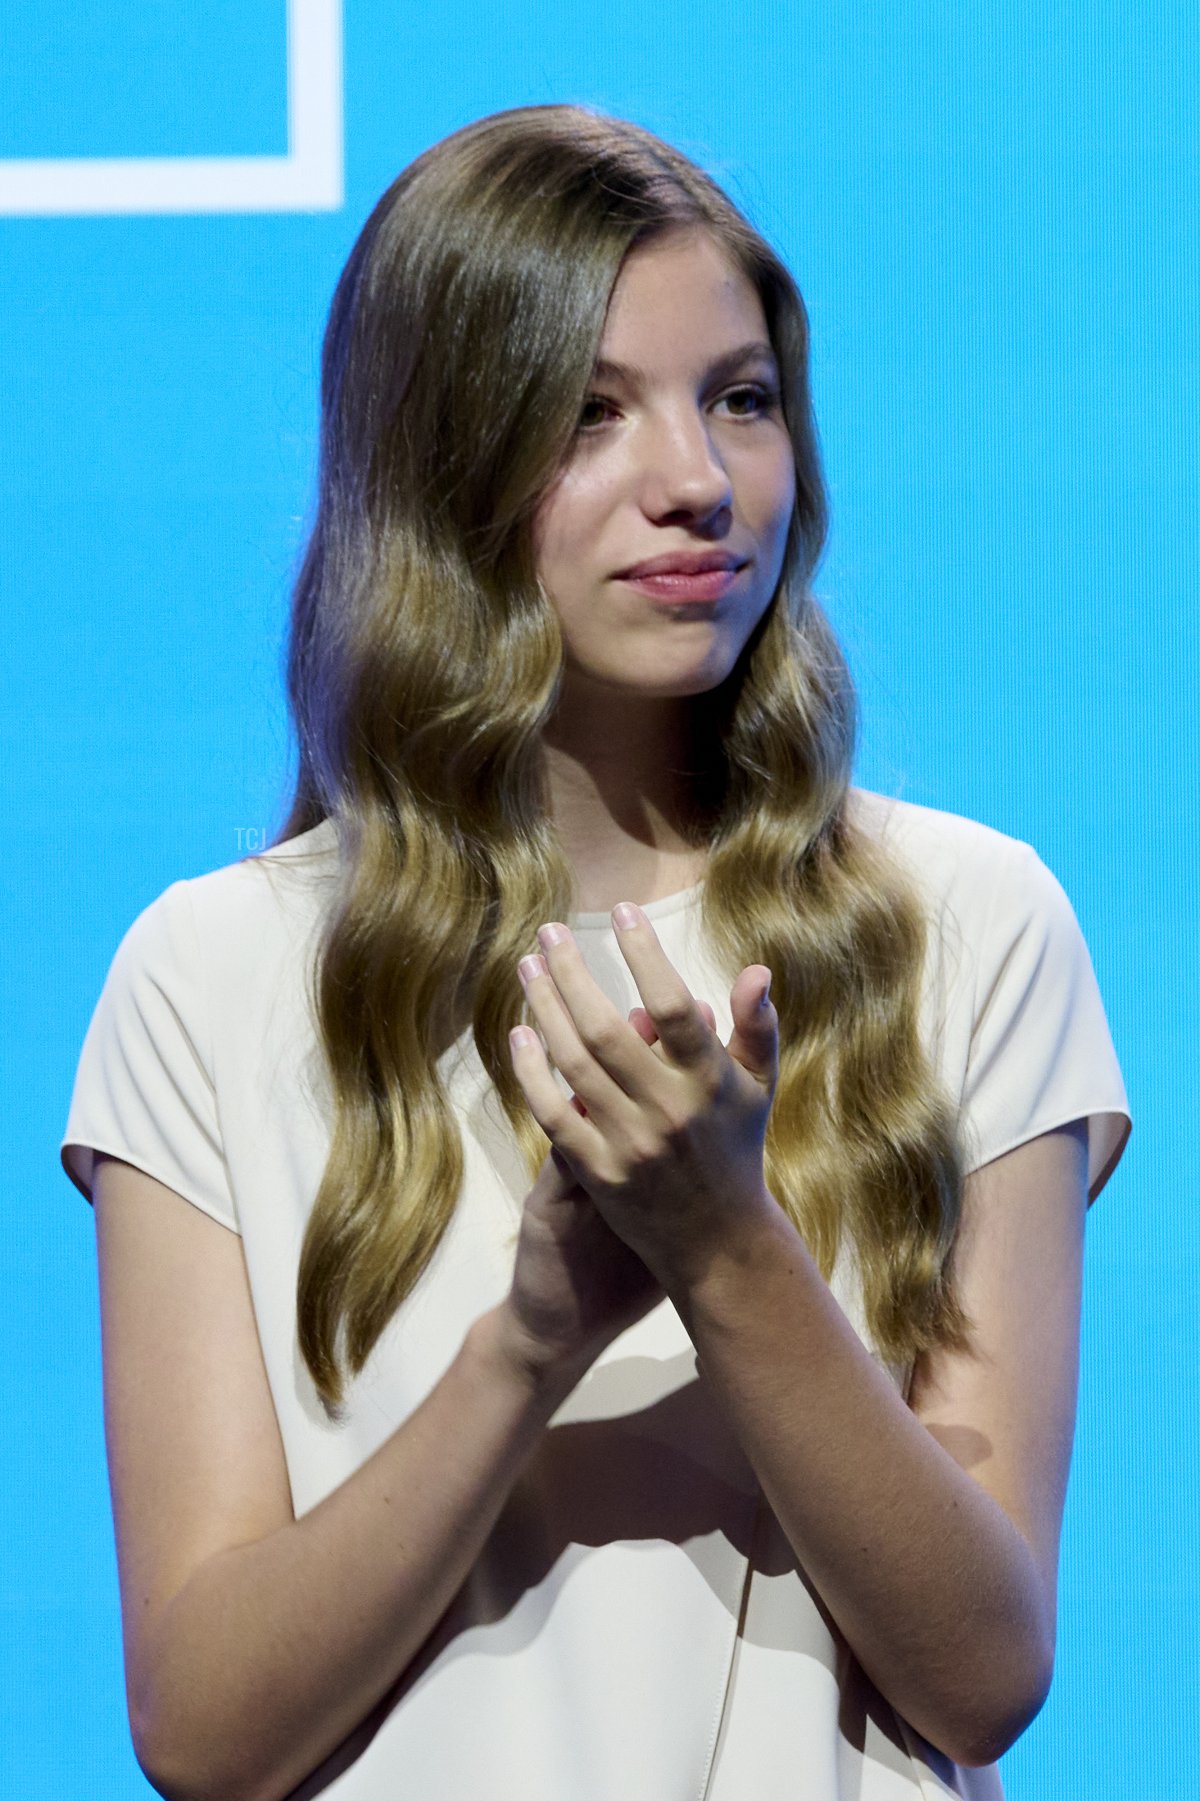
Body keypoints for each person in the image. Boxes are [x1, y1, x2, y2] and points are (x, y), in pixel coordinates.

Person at [60, 103, 1131, 1801]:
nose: (698, 480)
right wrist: (534, 1335)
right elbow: (204, 1726)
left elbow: (984, 1670)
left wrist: (724, 1242)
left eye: (742, 397)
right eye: (591, 413)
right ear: (445, 455)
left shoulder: (972, 925)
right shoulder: (212, 973)